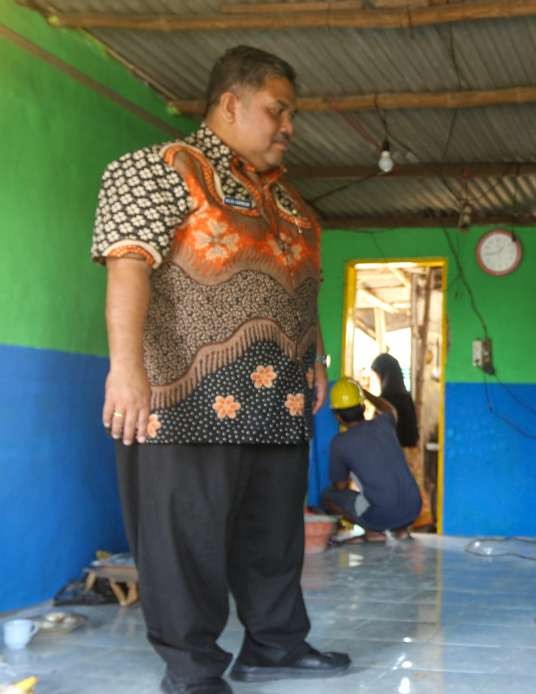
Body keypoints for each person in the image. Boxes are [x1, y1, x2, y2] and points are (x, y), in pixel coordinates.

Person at [92, 46, 349, 694]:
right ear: (230, 104)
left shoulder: (291, 204)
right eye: (277, 110)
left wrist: (314, 356)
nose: (289, 125)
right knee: (186, 541)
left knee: (273, 538)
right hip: (185, 398)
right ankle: (191, 668)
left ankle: (275, 644)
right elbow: (128, 262)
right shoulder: (156, 170)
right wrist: (126, 370)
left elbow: (301, 285)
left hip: (279, 400)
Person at [319, 379, 422, 542]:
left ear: (337, 417)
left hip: (382, 515)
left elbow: (340, 486)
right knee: (386, 495)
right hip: (414, 508)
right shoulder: (384, 423)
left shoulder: (340, 443)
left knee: (328, 496)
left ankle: (373, 531)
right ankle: (401, 530)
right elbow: (388, 408)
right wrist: (364, 392)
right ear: (364, 407)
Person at [370, 352, 419, 447]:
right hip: (403, 457)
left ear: (385, 375)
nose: (378, 379)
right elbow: (413, 436)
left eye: (378, 375)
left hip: (388, 454)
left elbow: (376, 433)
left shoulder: (385, 401)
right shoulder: (406, 398)